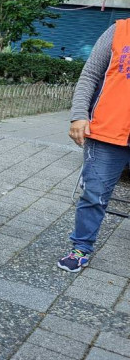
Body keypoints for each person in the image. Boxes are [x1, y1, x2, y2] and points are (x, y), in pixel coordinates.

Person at [57, 21, 130, 272]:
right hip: (108, 131)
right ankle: (81, 248)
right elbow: (90, 75)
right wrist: (79, 114)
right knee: (94, 194)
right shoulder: (119, 30)